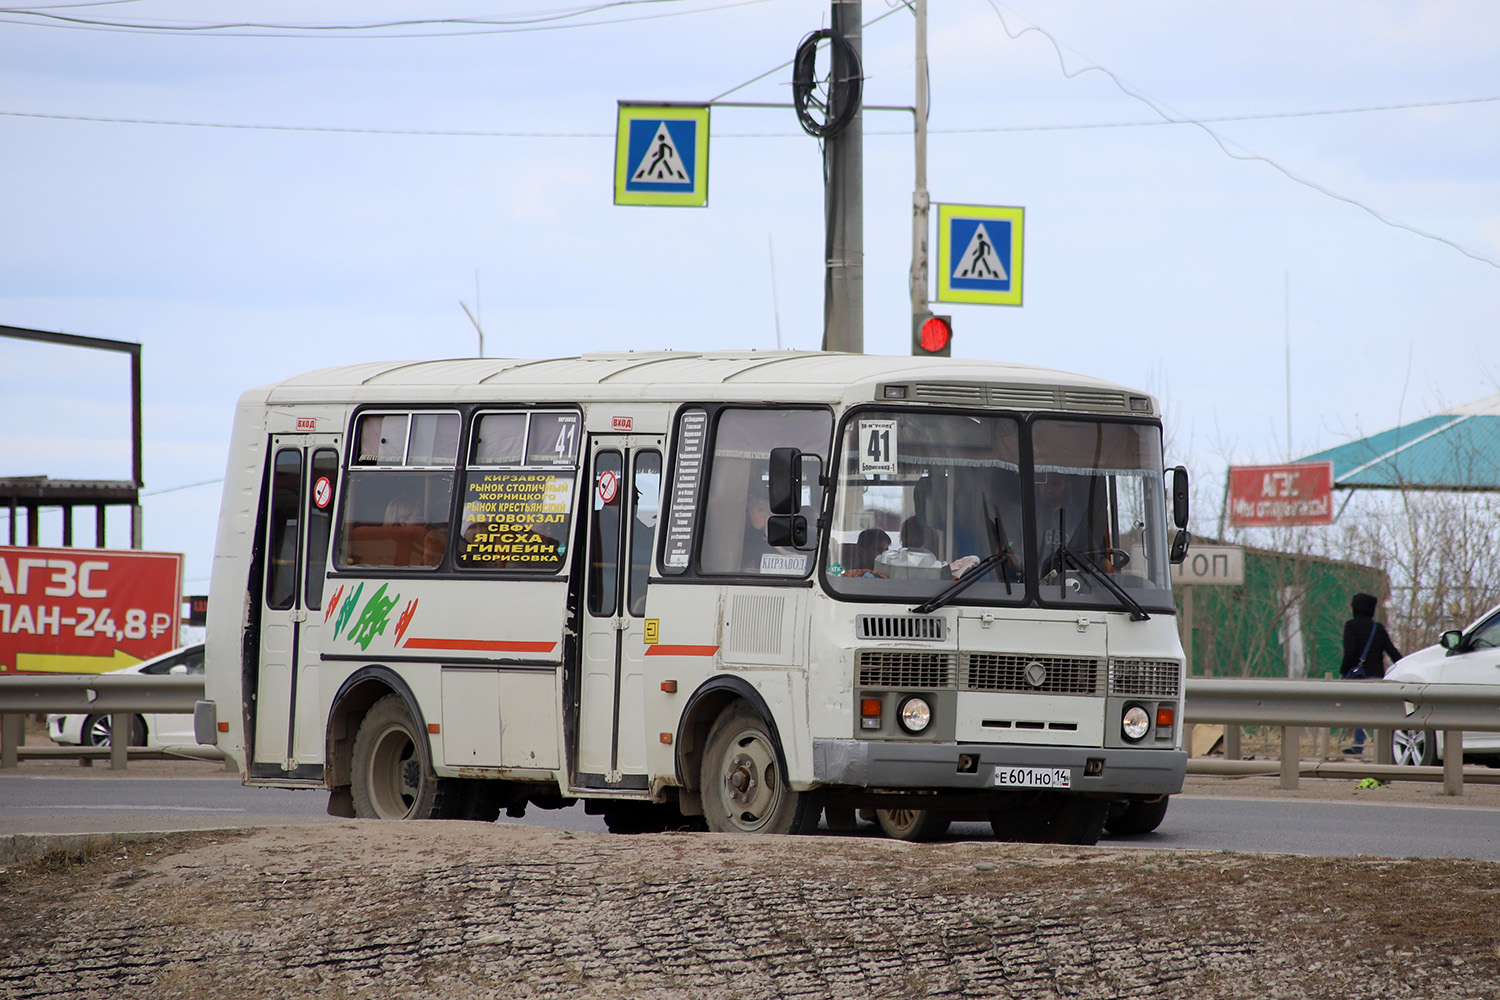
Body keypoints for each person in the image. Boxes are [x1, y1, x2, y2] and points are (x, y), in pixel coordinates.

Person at [1340, 592, 1402, 754]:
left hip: (1358, 676)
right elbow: (1392, 652)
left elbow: (1350, 652)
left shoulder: (1351, 626)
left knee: (1358, 711)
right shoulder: (1378, 628)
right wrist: (1405, 666)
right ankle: (1385, 748)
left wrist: (1343, 672)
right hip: (1376, 676)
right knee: (1378, 712)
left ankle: (1358, 745)